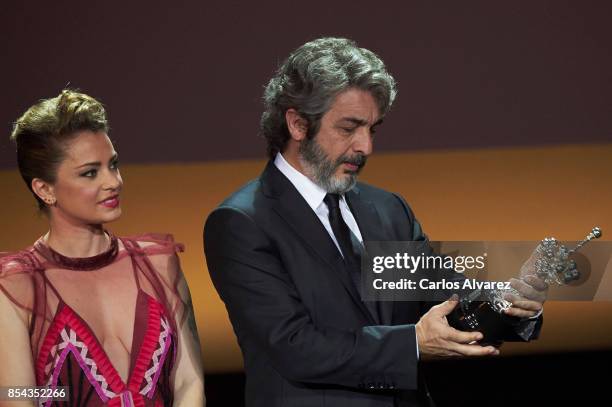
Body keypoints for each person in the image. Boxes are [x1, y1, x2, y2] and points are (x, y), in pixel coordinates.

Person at [204, 38, 546, 407]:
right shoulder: (242, 223)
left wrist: (510, 305)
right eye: (349, 128)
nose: (366, 147)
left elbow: (445, 295)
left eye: (373, 129)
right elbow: (294, 346)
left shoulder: (387, 210)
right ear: (298, 124)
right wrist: (412, 342)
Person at [0, 90, 205, 406]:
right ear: (45, 189)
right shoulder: (16, 286)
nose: (114, 182)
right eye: (90, 173)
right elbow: (15, 395)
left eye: (114, 165)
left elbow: (189, 382)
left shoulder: (160, 263)